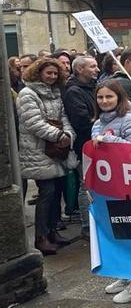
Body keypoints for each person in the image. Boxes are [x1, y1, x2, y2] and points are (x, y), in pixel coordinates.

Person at [92, 80, 131, 303]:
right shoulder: (97, 123)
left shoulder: (130, 119)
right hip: (110, 185)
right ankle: (126, 274)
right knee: (117, 232)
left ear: (119, 98)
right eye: (100, 97)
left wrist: (107, 140)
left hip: (129, 185)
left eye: (109, 97)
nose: (104, 101)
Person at [16, 57, 76, 256]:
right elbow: (33, 122)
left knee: (57, 190)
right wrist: (58, 135)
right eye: (48, 73)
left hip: (56, 149)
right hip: (37, 150)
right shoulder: (27, 93)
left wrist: (68, 134)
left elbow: (63, 117)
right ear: (38, 73)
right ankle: (40, 237)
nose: (52, 76)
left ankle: (52, 231)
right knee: (47, 193)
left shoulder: (56, 92)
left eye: (55, 73)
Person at [62, 55, 99, 235]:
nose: (96, 70)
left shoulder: (92, 87)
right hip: (84, 145)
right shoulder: (74, 92)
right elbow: (82, 120)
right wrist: (99, 124)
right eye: (92, 66)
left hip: (94, 143)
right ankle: (86, 225)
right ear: (79, 70)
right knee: (86, 184)